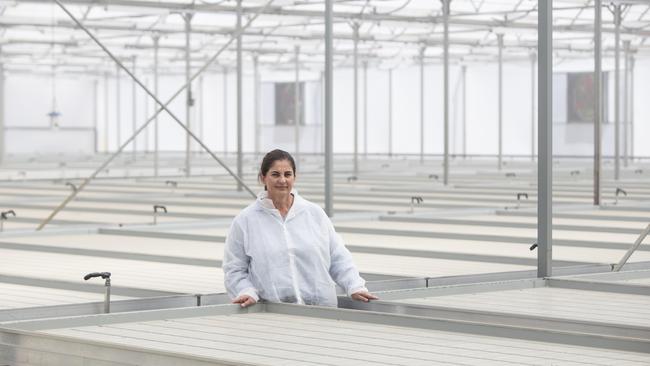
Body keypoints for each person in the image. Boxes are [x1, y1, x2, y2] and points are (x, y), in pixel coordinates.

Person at [223, 149, 378, 307]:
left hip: (322, 311)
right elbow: (234, 268)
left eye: (288, 174)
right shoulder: (246, 220)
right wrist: (245, 291)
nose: (282, 180)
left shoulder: (314, 214)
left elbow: (338, 256)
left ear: (294, 178)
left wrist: (354, 285)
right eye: (275, 174)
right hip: (272, 313)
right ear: (263, 178)